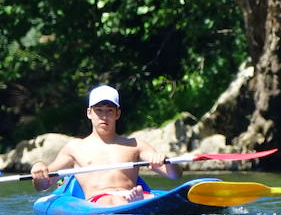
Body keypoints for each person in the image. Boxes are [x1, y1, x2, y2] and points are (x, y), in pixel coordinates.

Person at [30, 85, 179, 205]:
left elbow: (174, 175)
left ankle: (135, 202)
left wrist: (165, 159)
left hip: (133, 194)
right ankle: (131, 202)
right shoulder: (75, 148)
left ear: (117, 114)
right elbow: (43, 185)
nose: (104, 117)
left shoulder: (135, 145)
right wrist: (39, 168)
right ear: (89, 113)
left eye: (109, 111)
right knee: (111, 200)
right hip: (100, 199)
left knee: (147, 199)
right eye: (99, 111)